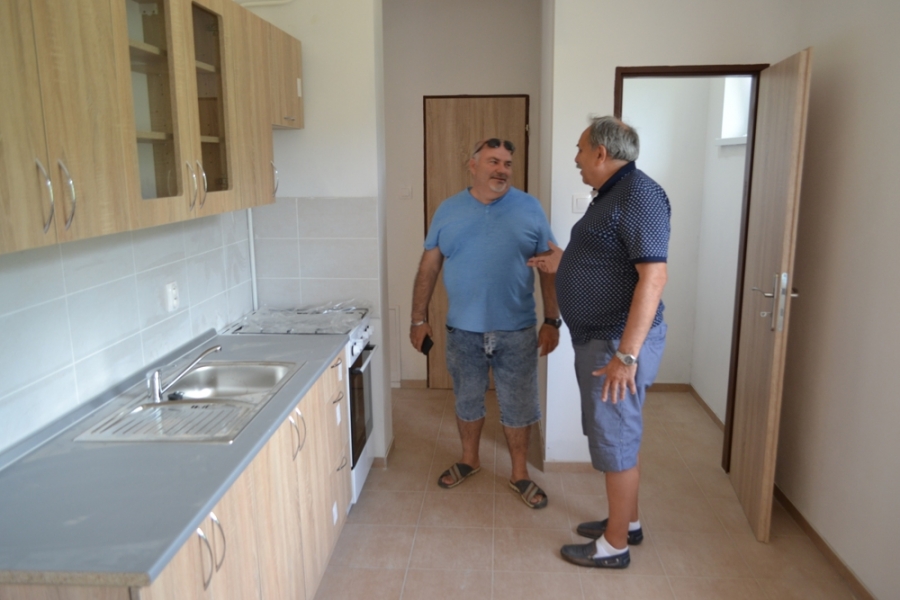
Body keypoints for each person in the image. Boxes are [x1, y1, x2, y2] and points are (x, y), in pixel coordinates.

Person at [528, 117, 670, 566]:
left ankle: (614, 547)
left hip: (616, 343)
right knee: (618, 435)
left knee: (617, 440)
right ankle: (627, 523)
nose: (576, 158)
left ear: (601, 153)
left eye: (580, 149)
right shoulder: (612, 195)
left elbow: (654, 277)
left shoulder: (639, 195)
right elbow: (610, 258)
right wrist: (565, 261)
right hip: (603, 339)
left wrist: (626, 356)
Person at [410, 137, 560, 509]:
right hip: (463, 330)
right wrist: (418, 318)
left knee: (519, 406)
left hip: (518, 329)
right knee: (467, 401)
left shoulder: (530, 208)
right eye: (493, 161)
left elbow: (549, 267)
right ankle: (469, 459)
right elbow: (429, 266)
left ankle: (520, 474)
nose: (501, 170)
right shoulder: (448, 210)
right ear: (473, 165)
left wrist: (552, 320)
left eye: (507, 164)